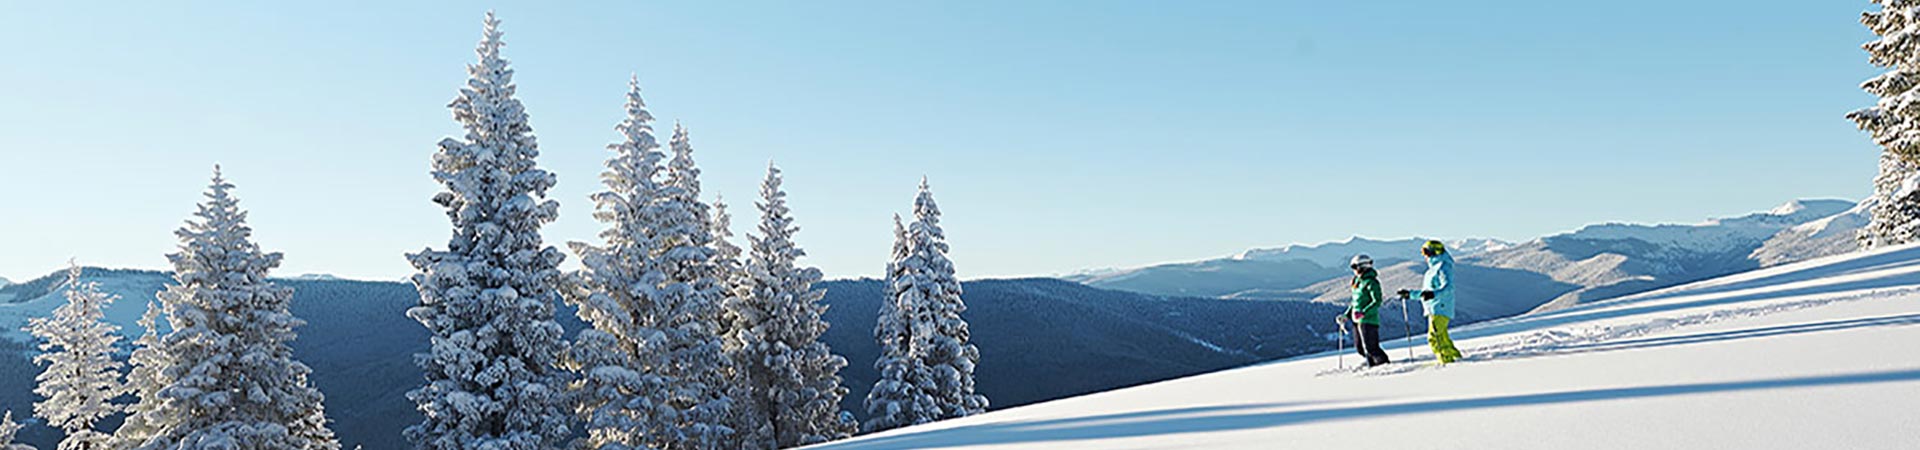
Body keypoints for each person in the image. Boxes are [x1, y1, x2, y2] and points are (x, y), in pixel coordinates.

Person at [1398, 240, 1464, 363]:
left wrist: (1434, 294)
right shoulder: (1432, 270)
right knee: (1442, 336)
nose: (1425, 255)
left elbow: (1448, 287)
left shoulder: (1443, 267)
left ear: (1436, 251)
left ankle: (1445, 361)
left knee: (1434, 337)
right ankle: (1455, 358)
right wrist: (1410, 295)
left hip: (1440, 306)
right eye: (1423, 252)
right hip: (1433, 307)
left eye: (1427, 251)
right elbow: (1427, 292)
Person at [1346, 254, 1390, 367]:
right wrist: (1346, 315)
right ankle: (1374, 365)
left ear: (1363, 266)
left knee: (1371, 347)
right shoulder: (1357, 282)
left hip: (1369, 320)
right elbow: (1355, 302)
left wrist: (1364, 312)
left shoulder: (1372, 282)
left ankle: (1384, 365)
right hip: (1357, 319)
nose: (1354, 270)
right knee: (1360, 348)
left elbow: (1377, 301)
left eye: (1355, 266)